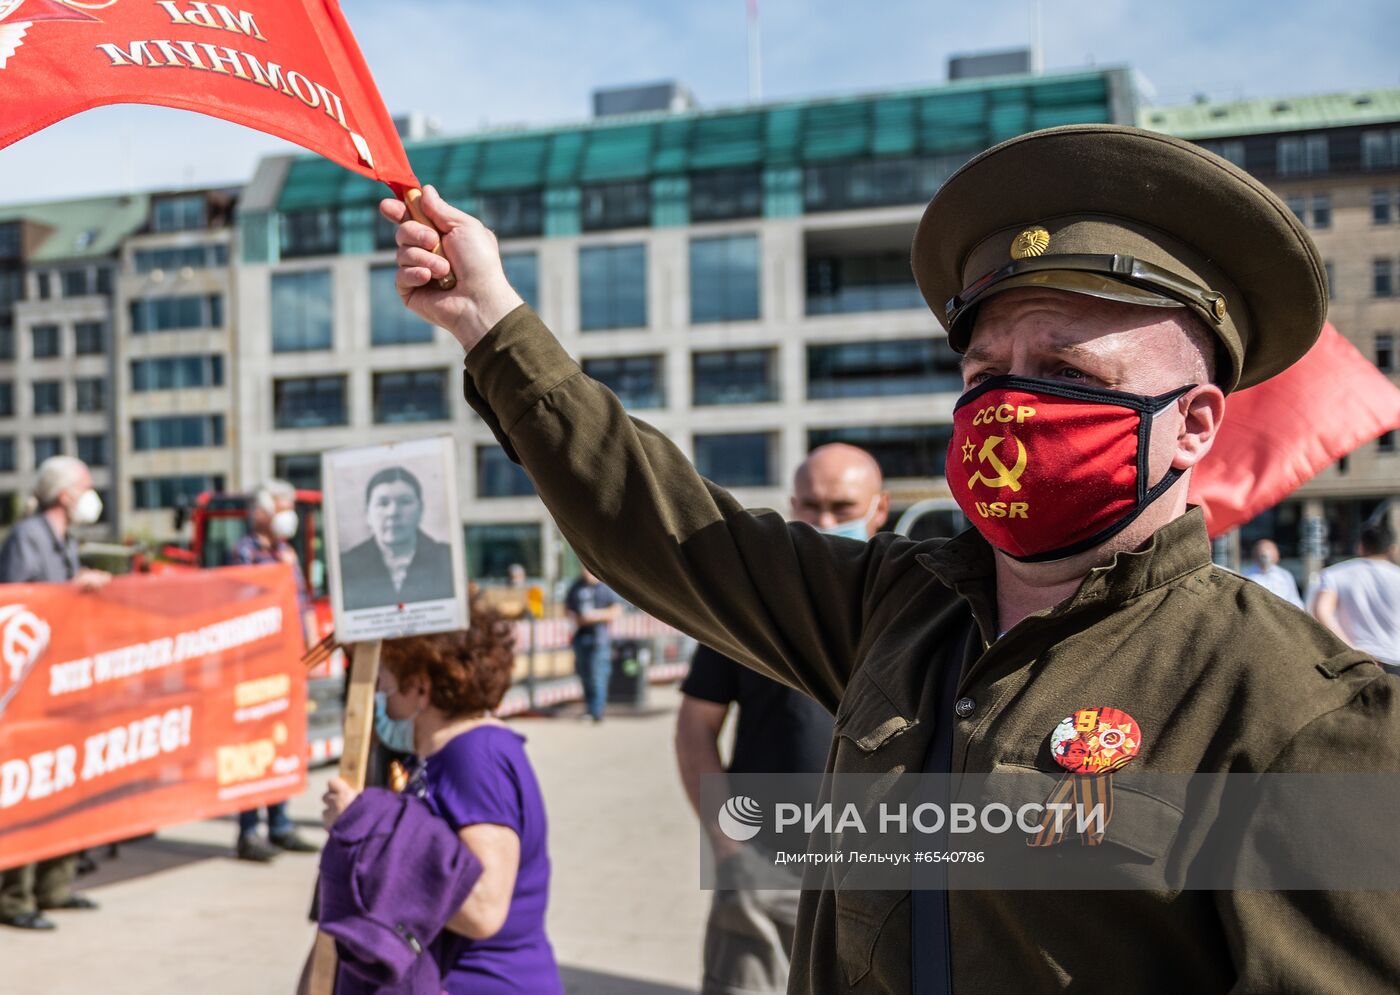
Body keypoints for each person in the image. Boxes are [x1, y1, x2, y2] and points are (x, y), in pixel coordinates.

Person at [382, 124, 1400, 991]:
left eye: (1062, 369)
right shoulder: (895, 608)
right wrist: (487, 321)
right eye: (985, 368)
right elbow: (658, 525)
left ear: (1191, 424)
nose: (1009, 400)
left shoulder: (1294, 712)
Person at [676, 443, 886, 995]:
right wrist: (728, 846)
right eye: (812, 506)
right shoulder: (749, 610)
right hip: (765, 864)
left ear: (879, 510)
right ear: (793, 506)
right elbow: (696, 725)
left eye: (843, 508)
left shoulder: (913, 609)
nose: (824, 522)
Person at [321, 603, 563, 994]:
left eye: (385, 676)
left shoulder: (475, 756)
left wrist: (363, 825)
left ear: (420, 687)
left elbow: (484, 908)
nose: (381, 689)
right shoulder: (448, 755)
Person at [0, 456, 108, 931]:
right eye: (84, 485)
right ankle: (14, 895)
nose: (89, 492)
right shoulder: (27, 536)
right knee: (28, 787)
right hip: (30, 690)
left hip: (64, 680)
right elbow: (19, 601)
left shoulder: (64, 538)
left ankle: (54, 885)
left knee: (64, 782)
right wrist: (71, 587)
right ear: (64, 493)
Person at [226, 478, 320, 861]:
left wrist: (312, 652)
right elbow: (244, 605)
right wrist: (278, 573)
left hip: (288, 665)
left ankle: (280, 823)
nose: (289, 515)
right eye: (283, 507)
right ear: (262, 512)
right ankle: (249, 832)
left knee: (283, 740)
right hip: (256, 668)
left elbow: (303, 603)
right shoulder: (244, 553)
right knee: (254, 744)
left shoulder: (287, 553)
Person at [340, 465, 455, 610]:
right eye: (383, 503)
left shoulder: (447, 558)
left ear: (421, 509)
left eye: (405, 501)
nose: (393, 512)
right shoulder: (346, 564)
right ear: (367, 514)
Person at [1310, 522, 1400, 672]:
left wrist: (1352, 649)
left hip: (1356, 663)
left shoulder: (1334, 574)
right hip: (1396, 659)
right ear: (1393, 549)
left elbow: (1321, 612)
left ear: (1360, 546)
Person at [564, 565, 620, 723]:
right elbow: (567, 608)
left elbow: (616, 610)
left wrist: (595, 616)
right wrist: (575, 618)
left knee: (597, 675)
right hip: (580, 636)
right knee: (584, 675)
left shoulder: (605, 587)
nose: (585, 573)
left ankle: (596, 711)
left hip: (599, 638)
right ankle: (589, 708)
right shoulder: (576, 586)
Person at [1240, 537, 1303, 607]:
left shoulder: (1284, 575)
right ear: (1254, 556)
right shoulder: (1246, 575)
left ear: (1277, 556)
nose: (1264, 553)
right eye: (1261, 552)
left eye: (1268, 550)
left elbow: (1294, 600)